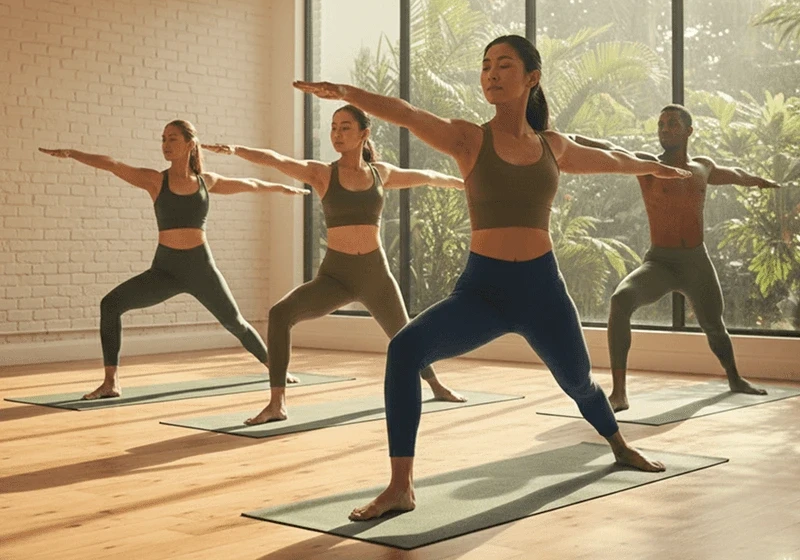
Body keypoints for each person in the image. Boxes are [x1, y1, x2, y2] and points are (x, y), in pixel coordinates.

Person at [294, 35, 692, 521]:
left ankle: (619, 445)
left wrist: (652, 167)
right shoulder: (468, 138)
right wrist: (346, 92)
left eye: (504, 65)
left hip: (542, 290)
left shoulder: (553, 146)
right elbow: (406, 113)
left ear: (532, 77)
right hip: (483, 290)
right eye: (485, 66)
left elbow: (609, 160)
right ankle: (401, 485)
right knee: (404, 350)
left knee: (581, 383)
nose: (491, 73)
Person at [204, 104, 466, 426]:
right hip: (336, 276)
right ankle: (277, 403)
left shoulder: (380, 174)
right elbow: (277, 160)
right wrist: (236, 150)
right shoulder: (322, 173)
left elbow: (426, 177)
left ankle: (436, 385)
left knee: (404, 334)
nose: (337, 134)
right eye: (333, 127)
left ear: (363, 134)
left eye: (345, 127)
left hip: (374, 274)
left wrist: (463, 183)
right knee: (279, 314)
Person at [39, 119, 308, 400]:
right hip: (165, 270)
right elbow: (113, 164)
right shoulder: (155, 180)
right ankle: (111, 382)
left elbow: (250, 184)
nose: (166, 145)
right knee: (111, 304)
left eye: (173, 139)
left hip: (200, 268)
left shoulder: (207, 182)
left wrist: (283, 189)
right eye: (163, 139)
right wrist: (73, 153)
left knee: (235, 323)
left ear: (190, 144)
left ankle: (276, 370)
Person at [571, 104, 778, 411]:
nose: (664, 130)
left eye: (672, 124)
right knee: (620, 300)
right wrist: (572, 138)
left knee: (714, 325)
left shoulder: (702, 168)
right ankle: (619, 393)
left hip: (697, 263)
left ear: (688, 131)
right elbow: (611, 148)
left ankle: (735, 378)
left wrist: (760, 180)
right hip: (660, 263)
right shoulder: (647, 166)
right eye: (661, 125)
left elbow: (734, 174)